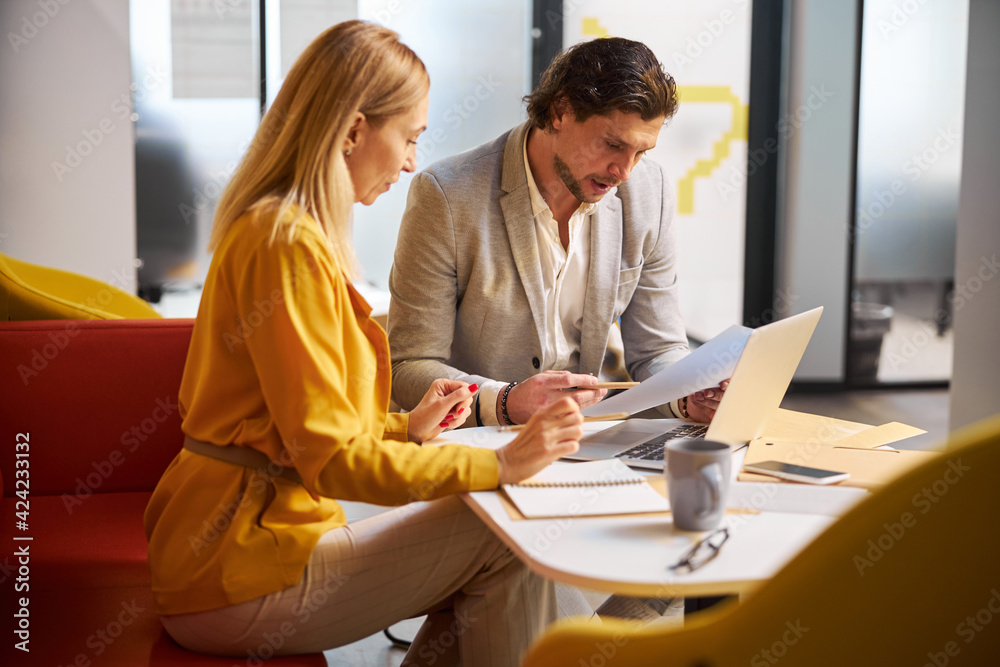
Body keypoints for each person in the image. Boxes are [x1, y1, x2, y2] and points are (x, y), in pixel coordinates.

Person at [144, 21, 584, 667]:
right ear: (353, 131)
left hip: (241, 552)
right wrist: (503, 463)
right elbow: (331, 459)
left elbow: (292, 421)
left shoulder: (284, 231)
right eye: (408, 137)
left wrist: (405, 427)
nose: (411, 162)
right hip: (237, 573)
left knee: (499, 548)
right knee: (508, 533)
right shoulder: (286, 244)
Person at [388, 36, 727, 428]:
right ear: (560, 112)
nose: (625, 172)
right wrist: (505, 401)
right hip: (482, 440)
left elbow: (658, 350)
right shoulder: (447, 195)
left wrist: (687, 394)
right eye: (612, 144)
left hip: (593, 433)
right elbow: (408, 366)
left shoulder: (650, 193)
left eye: (641, 152)